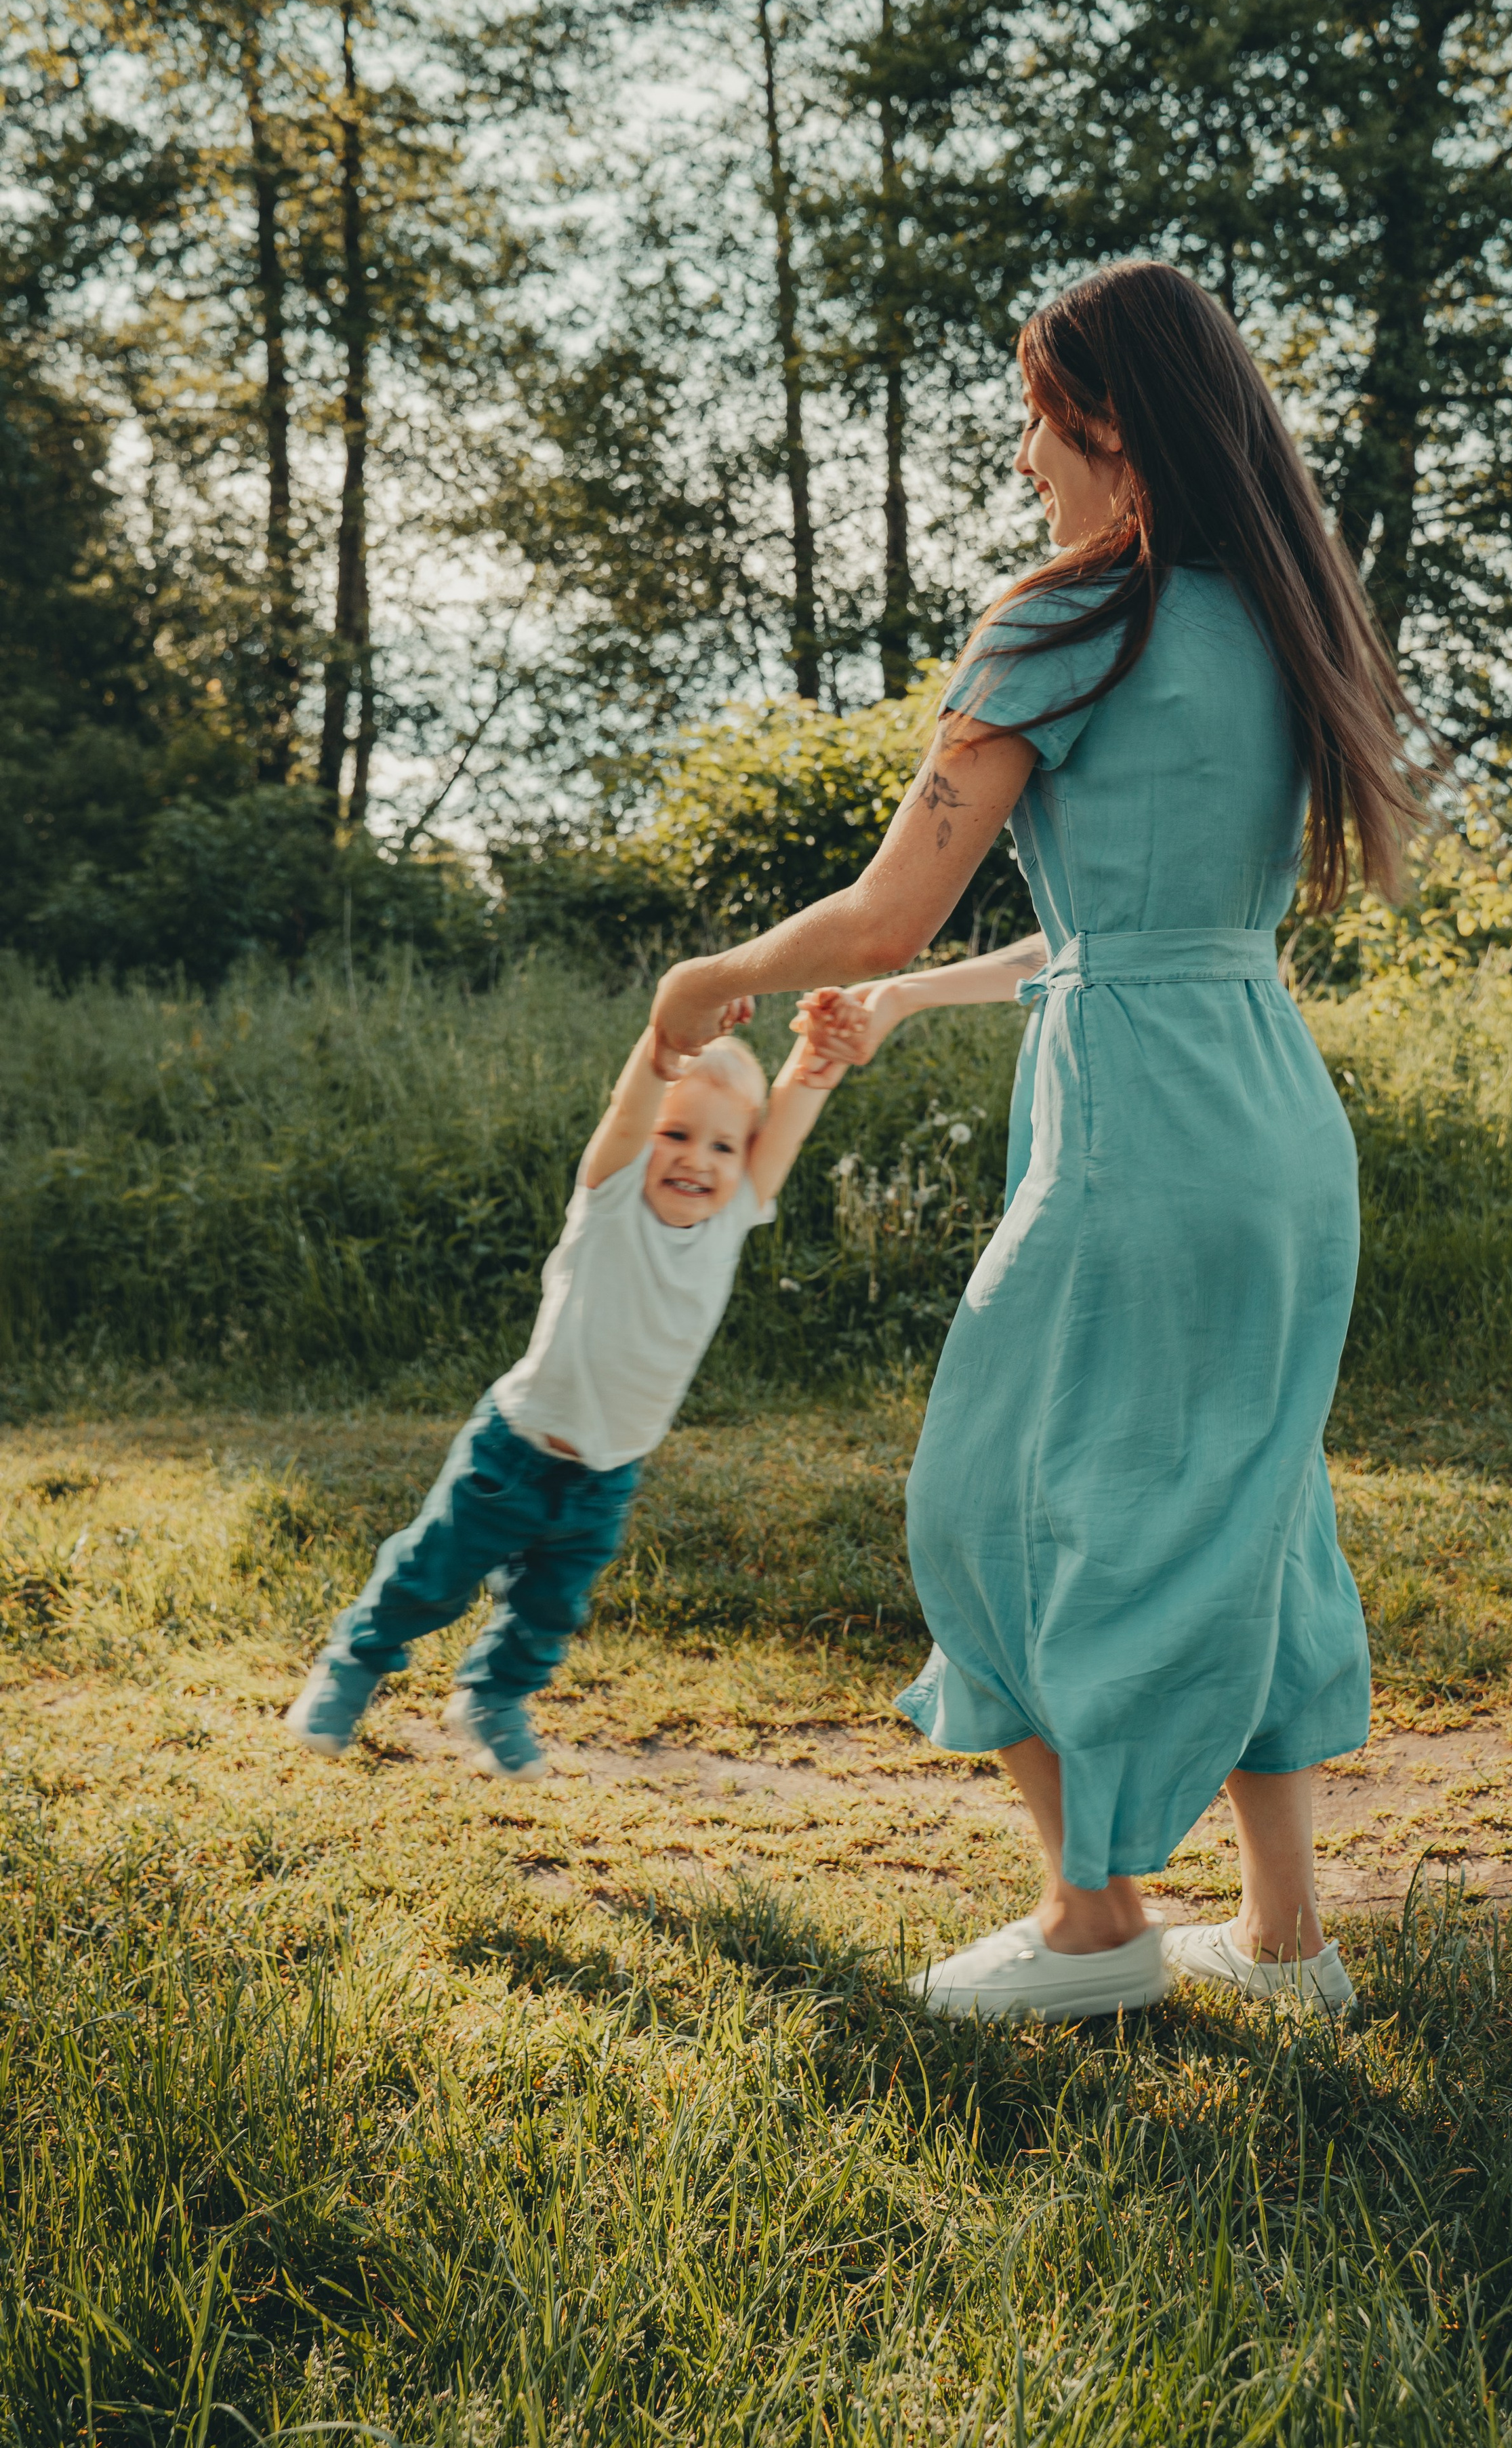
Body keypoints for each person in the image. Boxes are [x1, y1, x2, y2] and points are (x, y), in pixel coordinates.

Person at [651, 260, 1425, 2023]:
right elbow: (1137, 930)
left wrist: (718, 976)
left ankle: (1098, 1926)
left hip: (1140, 1147)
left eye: (1036, 424)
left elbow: (883, 912)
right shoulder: (1287, 623)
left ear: (1121, 435)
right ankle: (1289, 1946)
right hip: (1277, 1133)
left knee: (990, 1499)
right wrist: (924, 1013)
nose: (1023, 463)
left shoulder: (1068, 623)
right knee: (1254, 1506)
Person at [284, 1020, 856, 1779]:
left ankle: (491, 1700)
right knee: (432, 1577)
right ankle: (351, 1666)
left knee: (551, 1609)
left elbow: (788, 1118)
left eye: (724, 1145)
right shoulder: (612, 1196)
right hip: (515, 1449)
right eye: (676, 1133)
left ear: (746, 1156)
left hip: (609, 1471)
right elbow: (632, 1103)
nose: (696, 1158)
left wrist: (817, 1056)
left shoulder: (733, 1216)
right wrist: (675, 1026)